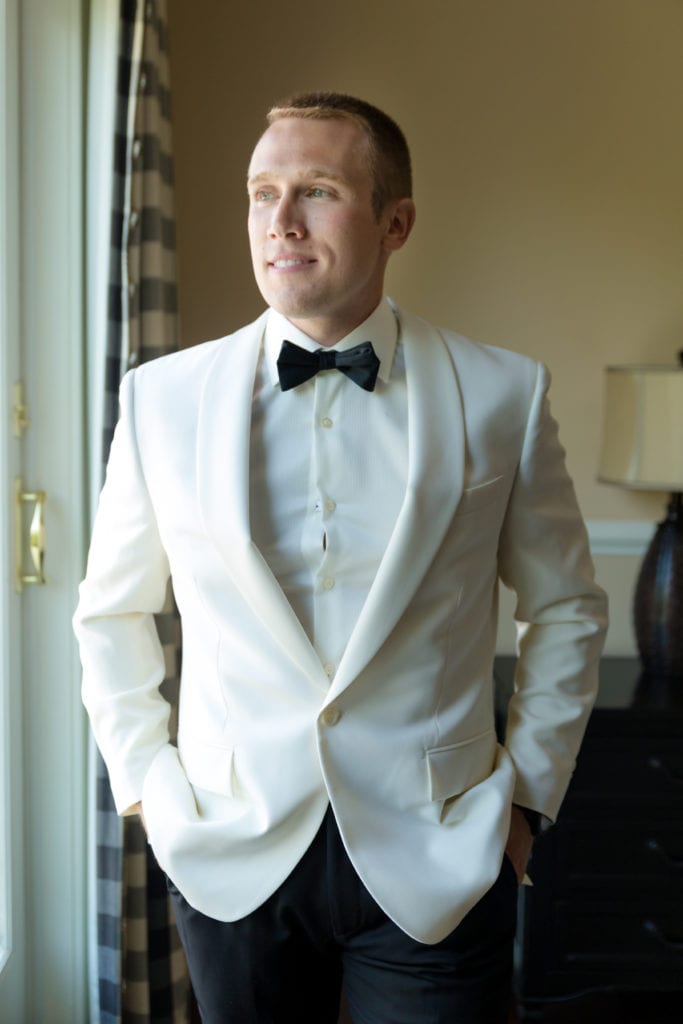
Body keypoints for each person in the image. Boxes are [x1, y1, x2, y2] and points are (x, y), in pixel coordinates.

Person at [74, 92, 608, 1023]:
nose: (279, 222)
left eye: (315, 191)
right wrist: (147, 792)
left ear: (395, 221)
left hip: (438, 854)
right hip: (231, 846)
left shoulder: (501, 394)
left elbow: (565, 608)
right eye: (260, 193)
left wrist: (521, 804)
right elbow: (112, 612)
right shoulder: (160, 400)